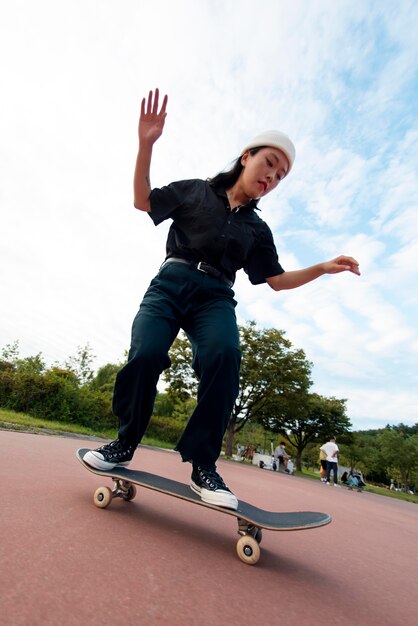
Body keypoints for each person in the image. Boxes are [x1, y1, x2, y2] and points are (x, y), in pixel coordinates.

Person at [84, 88, 360, 510]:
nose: (272, 177)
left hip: (215, 297)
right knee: (146, 355)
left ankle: (203, 466)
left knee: (225, 357)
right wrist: (145, 145)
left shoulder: (257, 230)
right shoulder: (195, 191)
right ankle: (123, 443)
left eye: (281, 176)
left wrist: (322, 267)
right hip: (171, 283)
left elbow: (277, 280)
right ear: (247, 156)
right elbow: (143, 200)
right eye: (270, 163)